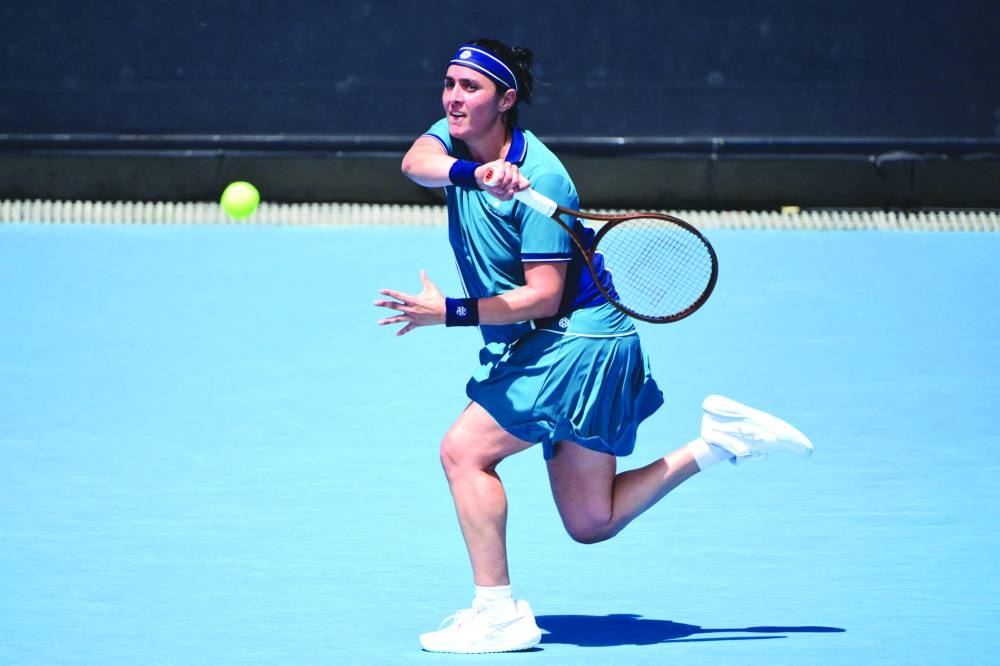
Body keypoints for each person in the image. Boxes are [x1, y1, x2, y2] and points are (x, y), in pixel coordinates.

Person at [375, 38, 813, 655]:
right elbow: (414, 162)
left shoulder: (547, 179)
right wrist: (476, 173)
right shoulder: (454, 138)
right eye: (449, 83)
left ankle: (496, 612)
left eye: (470, 88)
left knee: (463, 453)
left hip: (580, 343)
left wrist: (447, 311)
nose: (453, 97)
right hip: (564, 343)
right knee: (591, 522)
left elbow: (543, 298)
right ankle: (719, 442)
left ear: (506, 99)